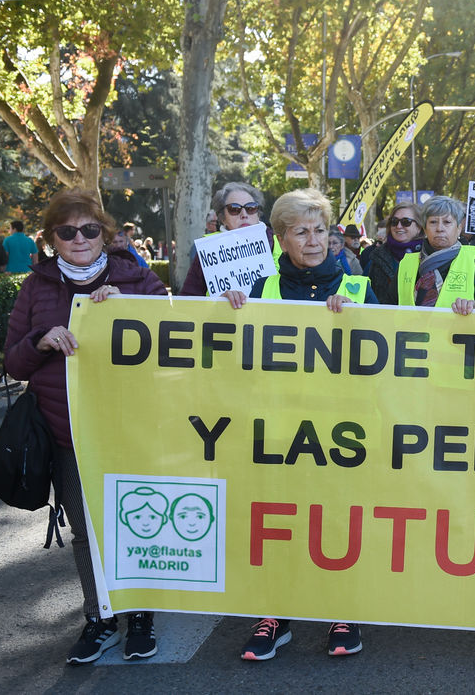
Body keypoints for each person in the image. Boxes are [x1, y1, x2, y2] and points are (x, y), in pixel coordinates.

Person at [4, 190, 168, 664]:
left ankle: (140, 614)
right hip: (66, 435)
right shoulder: (36, 287)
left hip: (130, 429)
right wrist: (41, 340)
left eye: (90, 229)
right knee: (86, 530)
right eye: (67, 231)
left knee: (138, 524)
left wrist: (131, 309)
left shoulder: (137, 278)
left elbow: (179, 337)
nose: (80, 239)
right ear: (53, 238)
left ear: (106, 234)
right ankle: (99, 618)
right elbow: (15, 360)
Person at [219, 188, 371, 661]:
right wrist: (226, 313)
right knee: (275, 519)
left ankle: (341, 608)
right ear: (280, 238)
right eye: (301, 231)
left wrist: (359, 322)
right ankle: (275, 614)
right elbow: (218, 354)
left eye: (320, 230)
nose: (313, 240)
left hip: (340, 428)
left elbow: (389, 360)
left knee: (337, 517)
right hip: (276, 428)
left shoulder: (359, 289)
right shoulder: (257, 291)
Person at [395, 195, 475, 311]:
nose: (439, 228)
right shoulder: (406, 265)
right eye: (433, 222)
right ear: (425, 229)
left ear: (458, 228)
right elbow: (386, 309)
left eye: (447, 222)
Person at [181, 182, 271, 297]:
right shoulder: (208, 250)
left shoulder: (281, 244)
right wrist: (219, 305)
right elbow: (188, 303)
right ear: (222, 218)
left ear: (258, 213)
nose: (244, 214)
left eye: (251, 208)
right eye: (234, 209)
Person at [368, 202, 424, 305]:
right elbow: (365, 292)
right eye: (394, 221)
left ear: (419, 227)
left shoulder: (428, 256)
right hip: (382, 318)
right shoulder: (377, 257)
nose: (398, 226)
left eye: (406, 222)